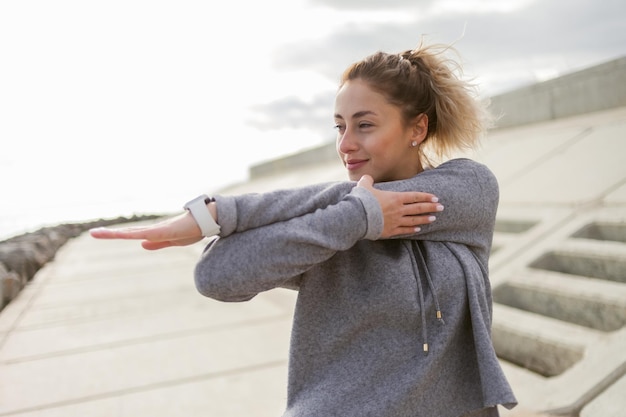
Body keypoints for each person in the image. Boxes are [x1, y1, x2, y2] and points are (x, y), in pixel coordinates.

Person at [91, 40, 517, 416]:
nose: (345, 143)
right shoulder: (333, 233)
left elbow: (374, 200)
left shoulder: (468, 189)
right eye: (339, 126)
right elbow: (214, 276)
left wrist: (221, 213)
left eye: (364, 125)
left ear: (417, 128)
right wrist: (356, 217)